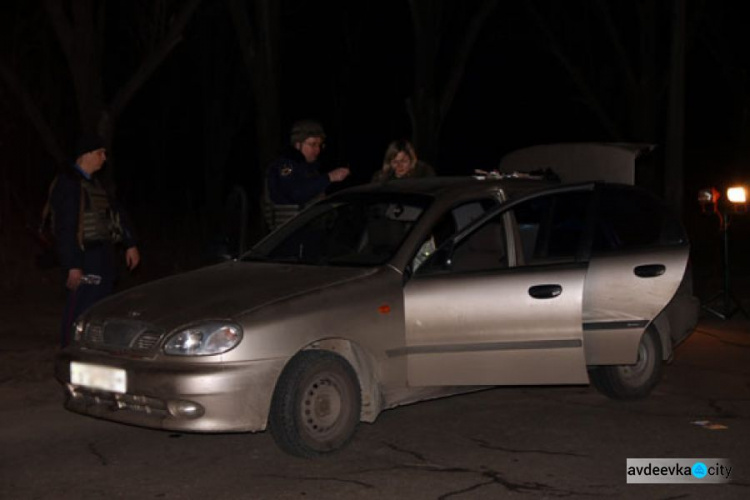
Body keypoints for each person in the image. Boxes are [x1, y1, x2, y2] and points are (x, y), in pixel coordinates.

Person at [51, 133, 140, 347]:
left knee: (101, 309)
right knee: (81, 309)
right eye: (101, 153)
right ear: (87, 154)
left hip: (103, 257)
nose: (104, 158)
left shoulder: (96, 185)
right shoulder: (69, 184)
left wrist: (130, 244)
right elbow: (65, 228)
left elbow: (117, 215)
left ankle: (93, 351)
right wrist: (73, 265)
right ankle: (70, 352)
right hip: (84, 257)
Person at [265, 120, 350, 230]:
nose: (317, 150)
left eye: (320, 145)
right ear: (297, 144)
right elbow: (296, 193)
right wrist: (329, 177)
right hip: (288, 234)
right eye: (313, 144)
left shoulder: (309, 168)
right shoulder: (285, 166)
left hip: (307, 230)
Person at [371, 139, 435, 182]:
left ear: (411, 160)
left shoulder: (424, 173)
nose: (399, 166)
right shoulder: (381, 178)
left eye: (403, 161)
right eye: (395, 162)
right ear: (389, 162)